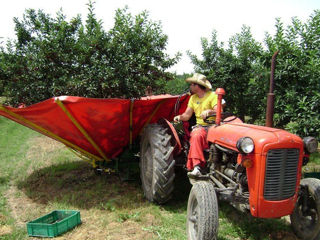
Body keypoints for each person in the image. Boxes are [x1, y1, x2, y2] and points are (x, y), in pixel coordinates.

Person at [174, 73, 223, 177]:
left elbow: (219, 110)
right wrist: (180, 117)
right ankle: (197, 167)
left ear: (197, 86)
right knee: (196, 135)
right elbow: (187, 115)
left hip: (214, 126)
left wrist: (209, 111)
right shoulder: (193, 98)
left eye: (191, 84)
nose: (190, 87)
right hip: (201, 127)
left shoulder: (212, 96)